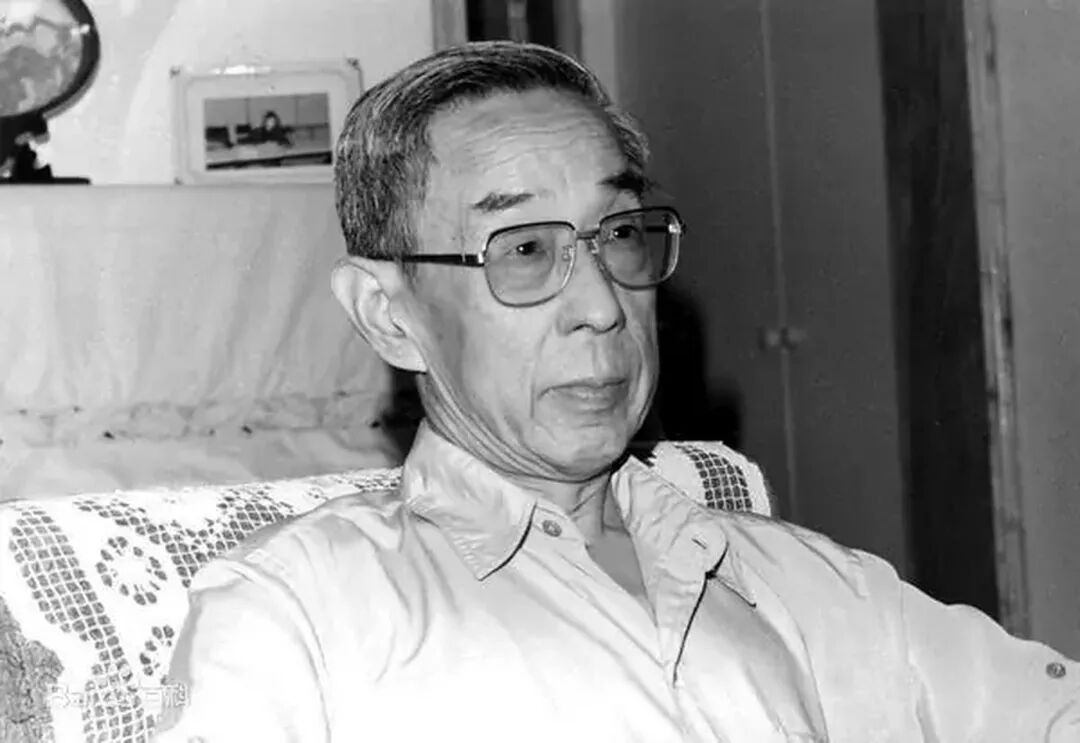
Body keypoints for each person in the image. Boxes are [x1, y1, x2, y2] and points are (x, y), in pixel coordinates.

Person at [153, 41, 1078, 742]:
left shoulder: (809, 584)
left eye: (621, 234)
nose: (603, 306)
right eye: (524, 249)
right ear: (389, 315)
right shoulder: (301, 610)